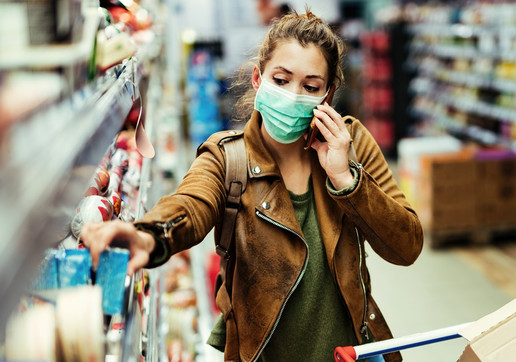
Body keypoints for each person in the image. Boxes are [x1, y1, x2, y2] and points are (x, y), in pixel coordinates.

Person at [81, 9, 423, 362]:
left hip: (351, 354)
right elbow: (190, 205)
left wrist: (345, 179)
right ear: (258, 79)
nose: (292, 96)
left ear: (327, 94)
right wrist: (147, 235)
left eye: (310, 86)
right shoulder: (228, 159)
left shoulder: (352, 145)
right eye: (281, 79)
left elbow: (406, 245)